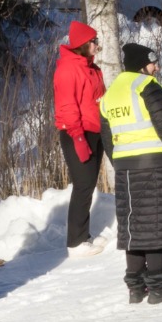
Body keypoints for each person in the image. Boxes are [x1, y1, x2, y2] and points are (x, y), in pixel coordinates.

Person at [99, 43, 162, 304]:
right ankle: (158, 286)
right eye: (153, 63)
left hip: (125, 167)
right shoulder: (146, 87)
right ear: (141, 65)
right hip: (155, 164)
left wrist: (119, 163)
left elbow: (107, 138)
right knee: (156, 224)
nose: (157, 68)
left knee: (133, 226)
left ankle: (135, 287)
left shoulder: (111, 94)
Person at [52, 20, 106, 252]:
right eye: (94, 41)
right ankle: (75, 242)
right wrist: (78, 137)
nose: (97, 44)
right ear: (83, 43)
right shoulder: (68, 69)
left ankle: (84, 235)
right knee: (83, 185)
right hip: (77, 132)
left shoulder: (92, 68)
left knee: (89, 184)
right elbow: (67, 107)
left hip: (95, 131)